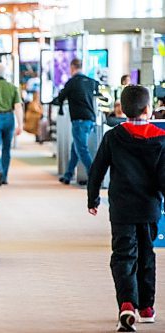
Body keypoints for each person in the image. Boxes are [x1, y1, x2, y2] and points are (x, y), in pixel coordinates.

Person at [87, 85, 165, 332]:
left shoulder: (113, 136)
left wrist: (93, 199)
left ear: (121, 108)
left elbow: (97, 169)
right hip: (149, 207)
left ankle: (127, 304)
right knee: (146, 254)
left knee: (123, 255)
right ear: (148, 109)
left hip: (121, 208)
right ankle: (147, 308)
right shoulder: (160, 138)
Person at [53, 58, 99, 186]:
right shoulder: (91, 82)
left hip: (79, 120)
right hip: (90, 119)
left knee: (82, 149)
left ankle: (94, 177)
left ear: (72, 67)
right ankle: (68, 175)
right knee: (76, 148)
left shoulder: (72, 83)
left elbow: (61, 97)